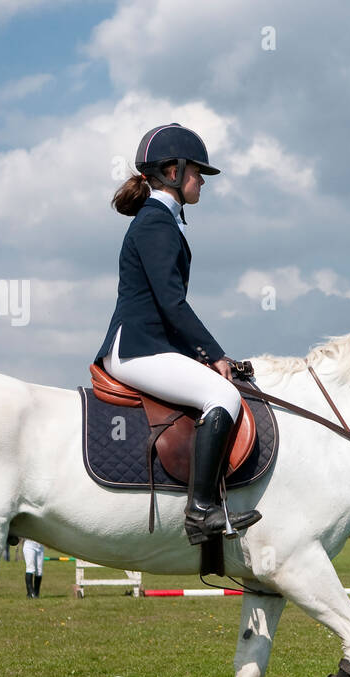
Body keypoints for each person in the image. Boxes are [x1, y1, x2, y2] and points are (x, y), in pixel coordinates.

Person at [95, 122, 260, 543]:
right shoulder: (155, 223)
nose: (202, 180)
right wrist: (213, 353)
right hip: (137, 349)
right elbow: (172, 304)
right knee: (222, 395)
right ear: (172, 172)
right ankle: (201, 511)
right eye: (196, 172)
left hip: (149, 345)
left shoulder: (164, 221)